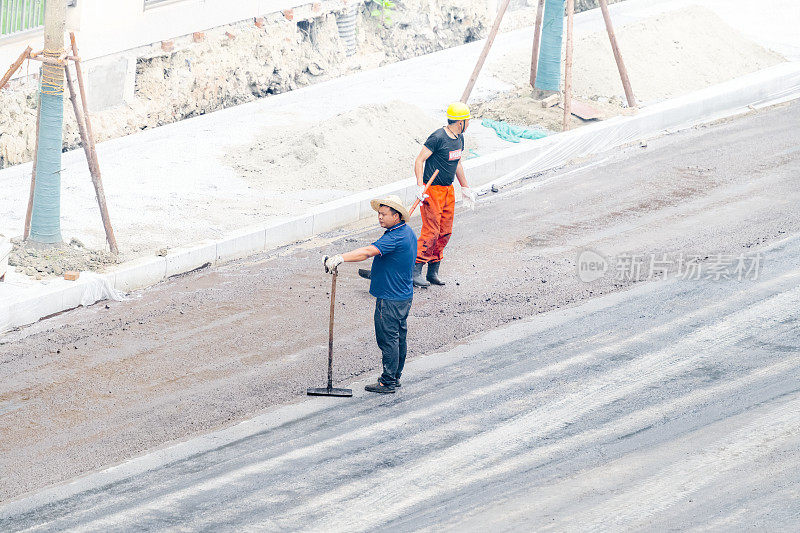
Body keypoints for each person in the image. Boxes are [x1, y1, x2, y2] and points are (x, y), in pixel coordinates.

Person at [323, 195, 417, 394]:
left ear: (397, 216)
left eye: (384, 214)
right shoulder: (406, 232)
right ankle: (395, 376)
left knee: (388, 339)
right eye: (379, 214)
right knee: (399, 338)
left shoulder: (395, 237)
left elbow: (366, 252)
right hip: (403, 295)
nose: (380, 217)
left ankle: (388, 381)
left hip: (390, 298)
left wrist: (341, 257)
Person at [412, 102, 477, 288]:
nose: (469, 123)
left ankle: (433, 272)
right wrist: (420, 185)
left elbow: (457, 163)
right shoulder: (438, 137)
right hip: (432, 190)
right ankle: (415, 271)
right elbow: (419, 160)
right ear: (460, 122)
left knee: (445, 231)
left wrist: (465, 188)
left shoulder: (459, 138)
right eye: (467, 120)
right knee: (431, 231)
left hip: (448, 190)